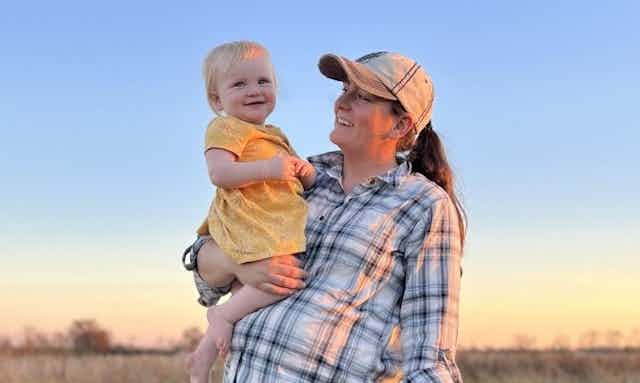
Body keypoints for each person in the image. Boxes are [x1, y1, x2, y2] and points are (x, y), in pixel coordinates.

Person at [185, 50, 466, 382]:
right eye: (344, 90)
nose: (342, 103)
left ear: (400, 124)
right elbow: (204, 270)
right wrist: (237, 264)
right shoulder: (300, 173)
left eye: (361, 96)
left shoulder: (424, 205)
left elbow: (429, 357)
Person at [182, 41, 316, 383]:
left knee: (249, 298)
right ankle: (222, 316)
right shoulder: (225, 128)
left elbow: (299, 173)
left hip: (269, 223)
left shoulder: (274, 134)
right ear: (217, 100)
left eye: (262, 81)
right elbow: (220, 174)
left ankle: (203, 358)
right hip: (249, 223)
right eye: (239, 84)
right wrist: (270, 170)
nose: (254, 90)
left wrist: (306, 172)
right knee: (280, 279)